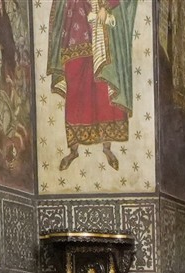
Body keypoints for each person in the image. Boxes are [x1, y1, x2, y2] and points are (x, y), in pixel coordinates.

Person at [47, 0, 133, 171]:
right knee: (75, 89)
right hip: (75, 30)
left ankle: (107, 147)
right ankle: (73, 150)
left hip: (102, 30)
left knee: (103, 88)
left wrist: (106, 7)